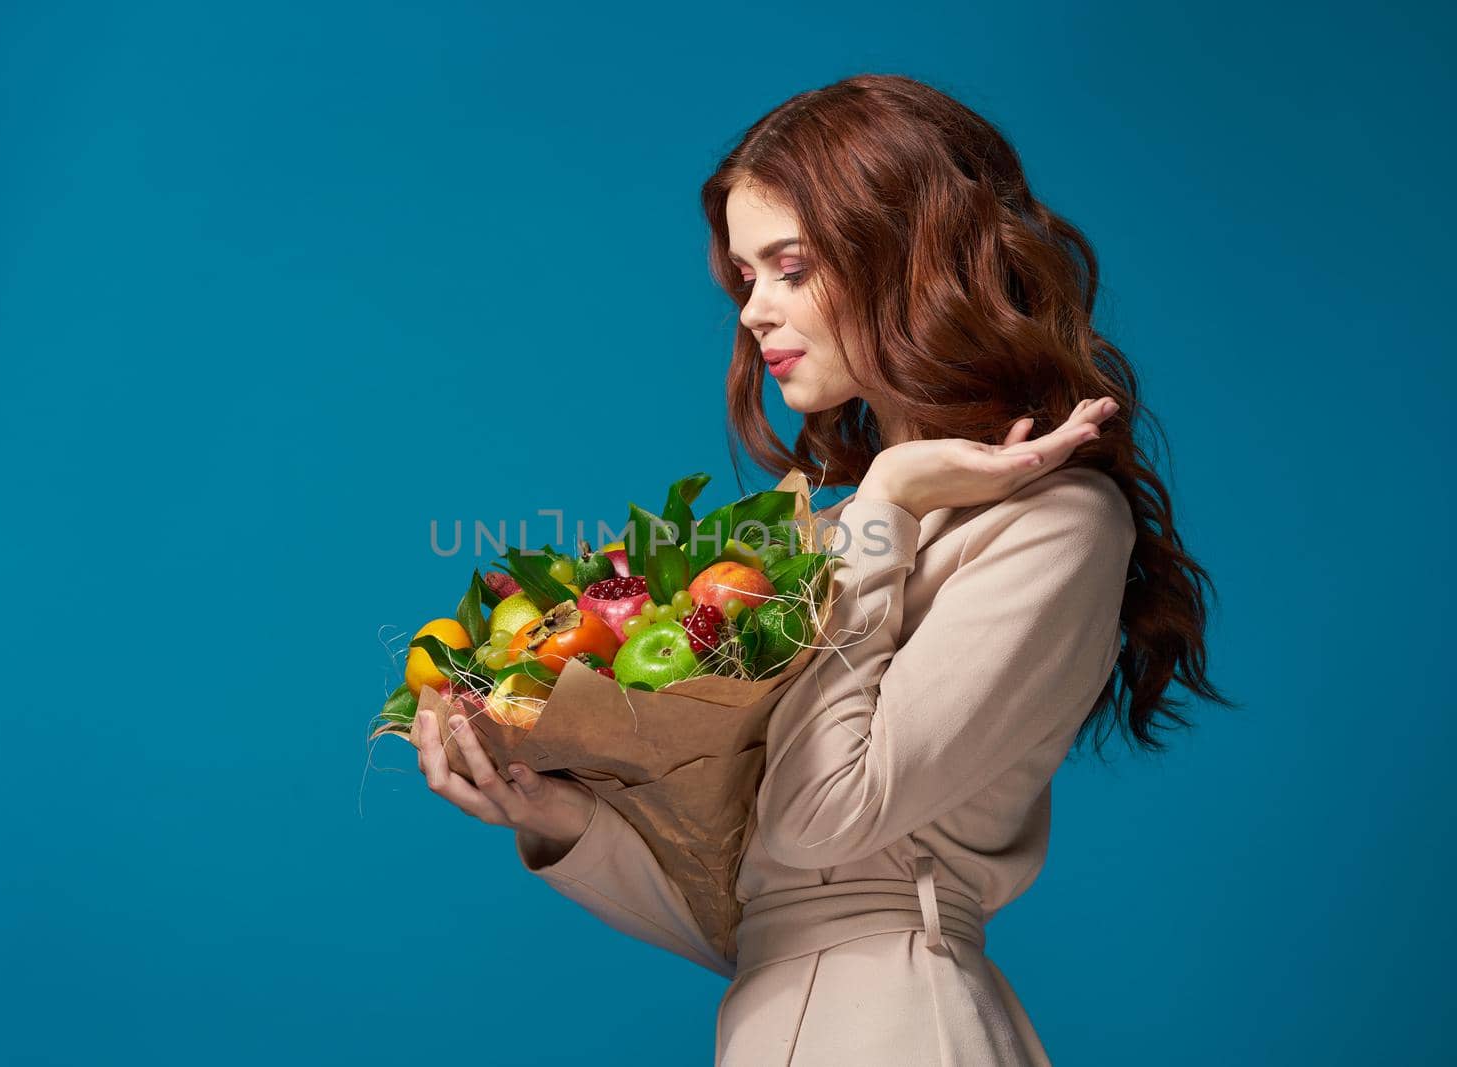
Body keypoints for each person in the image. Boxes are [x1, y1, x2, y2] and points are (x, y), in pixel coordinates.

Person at [411, 73, 1233, 1065]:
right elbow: (763, 914)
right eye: (744, 277)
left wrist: (887, 501)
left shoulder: (1053, 524)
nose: (753, 310)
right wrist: (562, 816)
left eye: (789, 266)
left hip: (902, 1022)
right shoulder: (826, 533)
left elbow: (820, 819)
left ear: (904, 258)